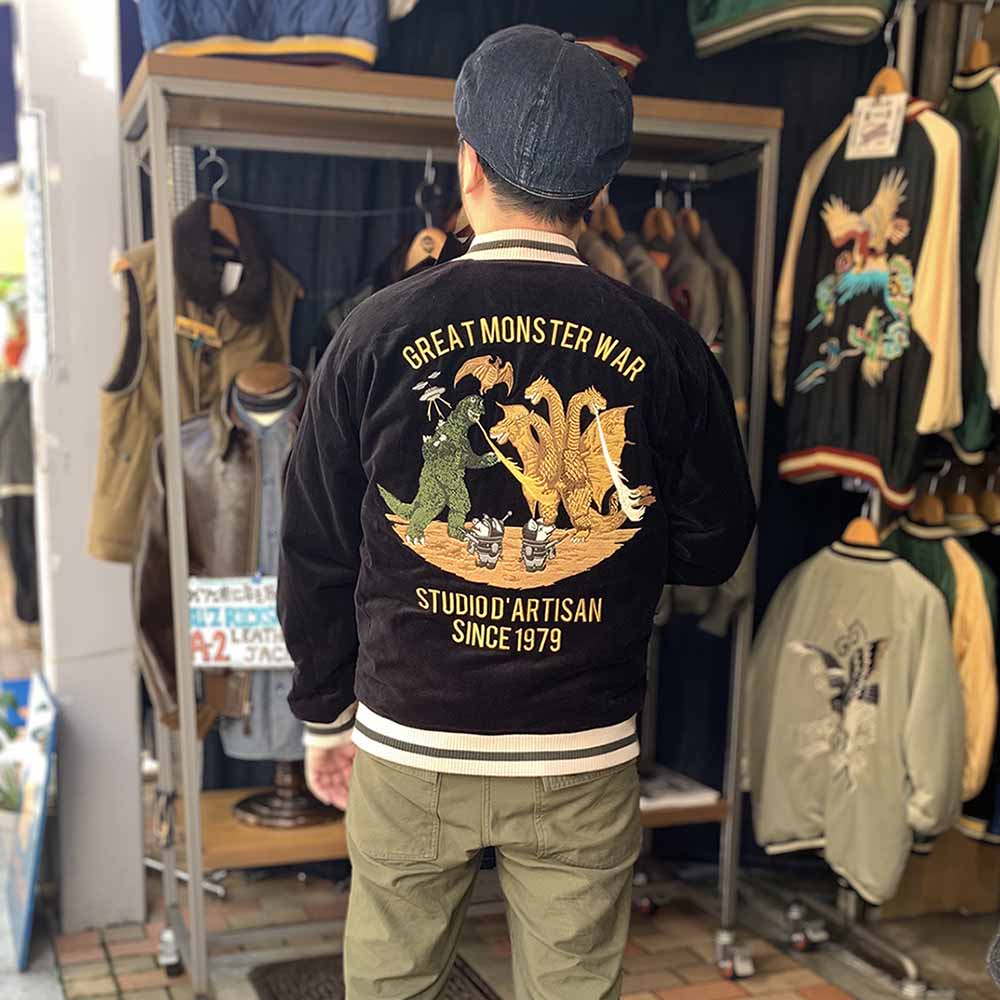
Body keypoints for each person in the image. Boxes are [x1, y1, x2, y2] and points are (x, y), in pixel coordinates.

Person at [278, 23, 755, 1000]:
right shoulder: (665, 344)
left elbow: (316, 547)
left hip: (412, 740)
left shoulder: (374, 331)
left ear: (467, 164)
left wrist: (325, 713)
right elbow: (714, 545)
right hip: (580, 747)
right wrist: (618, 554)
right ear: (599, 191)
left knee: (392, 984)